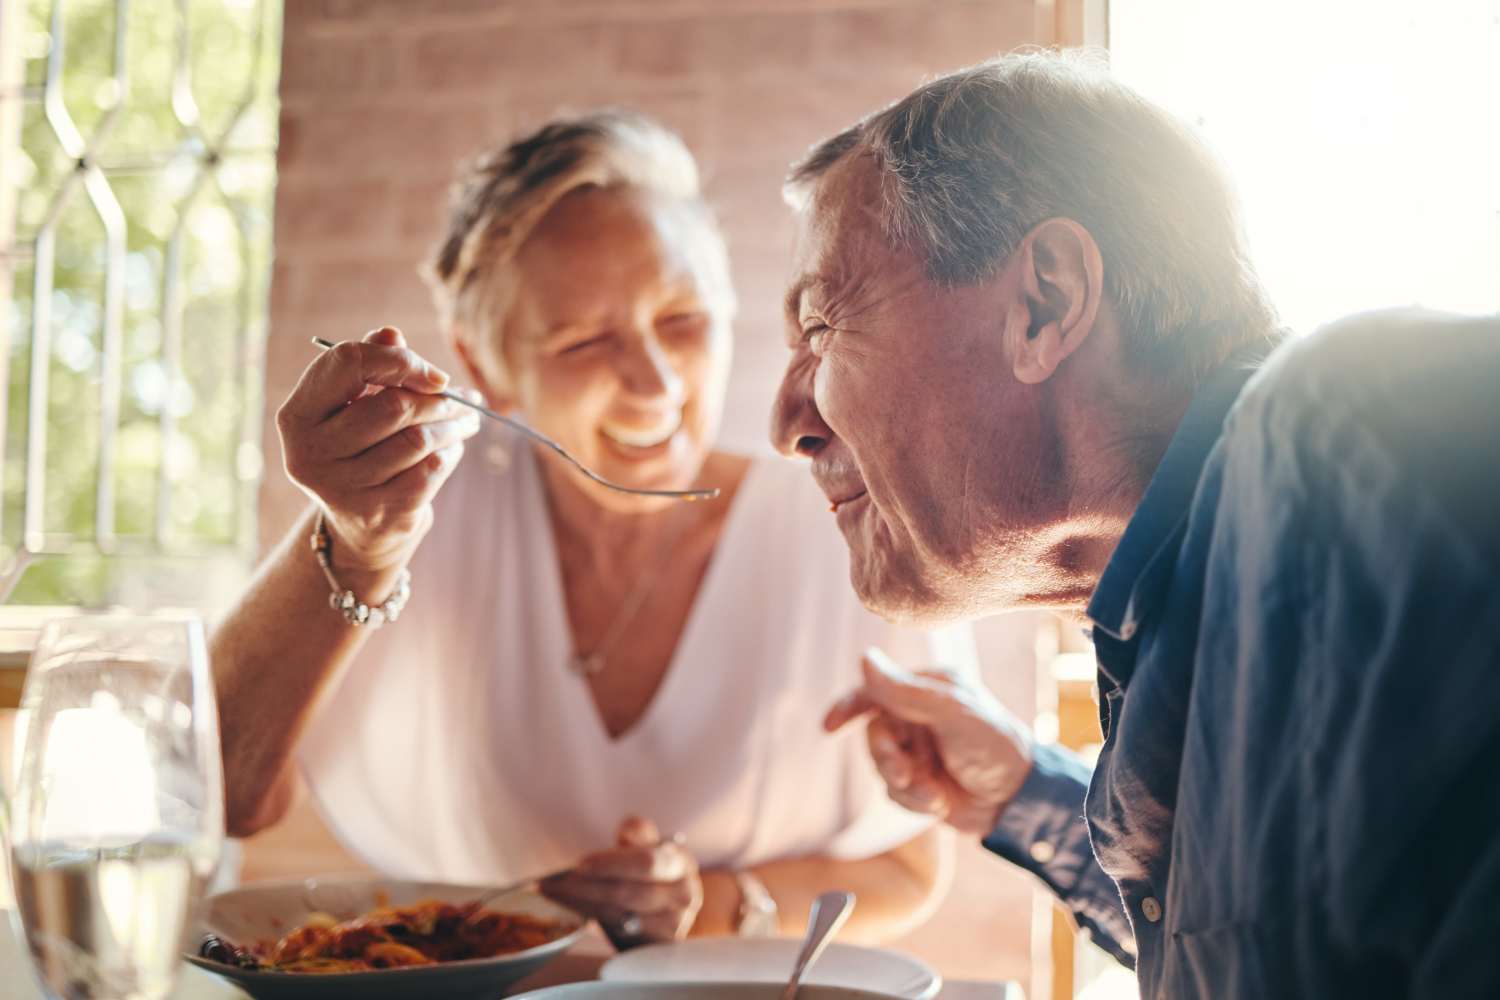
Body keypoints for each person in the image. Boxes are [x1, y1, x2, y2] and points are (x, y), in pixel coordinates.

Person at [771, 51, 1500, 998]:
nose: (790, 422)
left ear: (1047, 301)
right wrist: (1024, 795)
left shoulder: (1349, 445)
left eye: (823, 326)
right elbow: (1275, 932)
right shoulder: (1183, 610)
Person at [211, 111, 965, 944]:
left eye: (682, 322)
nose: (652, 381)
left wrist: (707, 908)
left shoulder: (845, 524)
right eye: (583, 340)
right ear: (484, 367)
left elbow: (909, 870)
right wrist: (356, 545)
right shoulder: (409, 510)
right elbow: (229, 793)